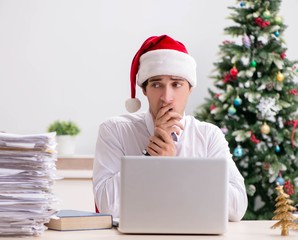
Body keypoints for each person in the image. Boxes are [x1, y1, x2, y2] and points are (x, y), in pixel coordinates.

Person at [93, 34, 248, 221]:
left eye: (176, 84)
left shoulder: (208, 136)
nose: (167, 97)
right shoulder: (115, 130)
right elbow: (106, 207)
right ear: (144, 89)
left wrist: (178, 169)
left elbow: (237, 208)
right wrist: (149, 160)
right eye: (157, 84)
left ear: (190, 88)